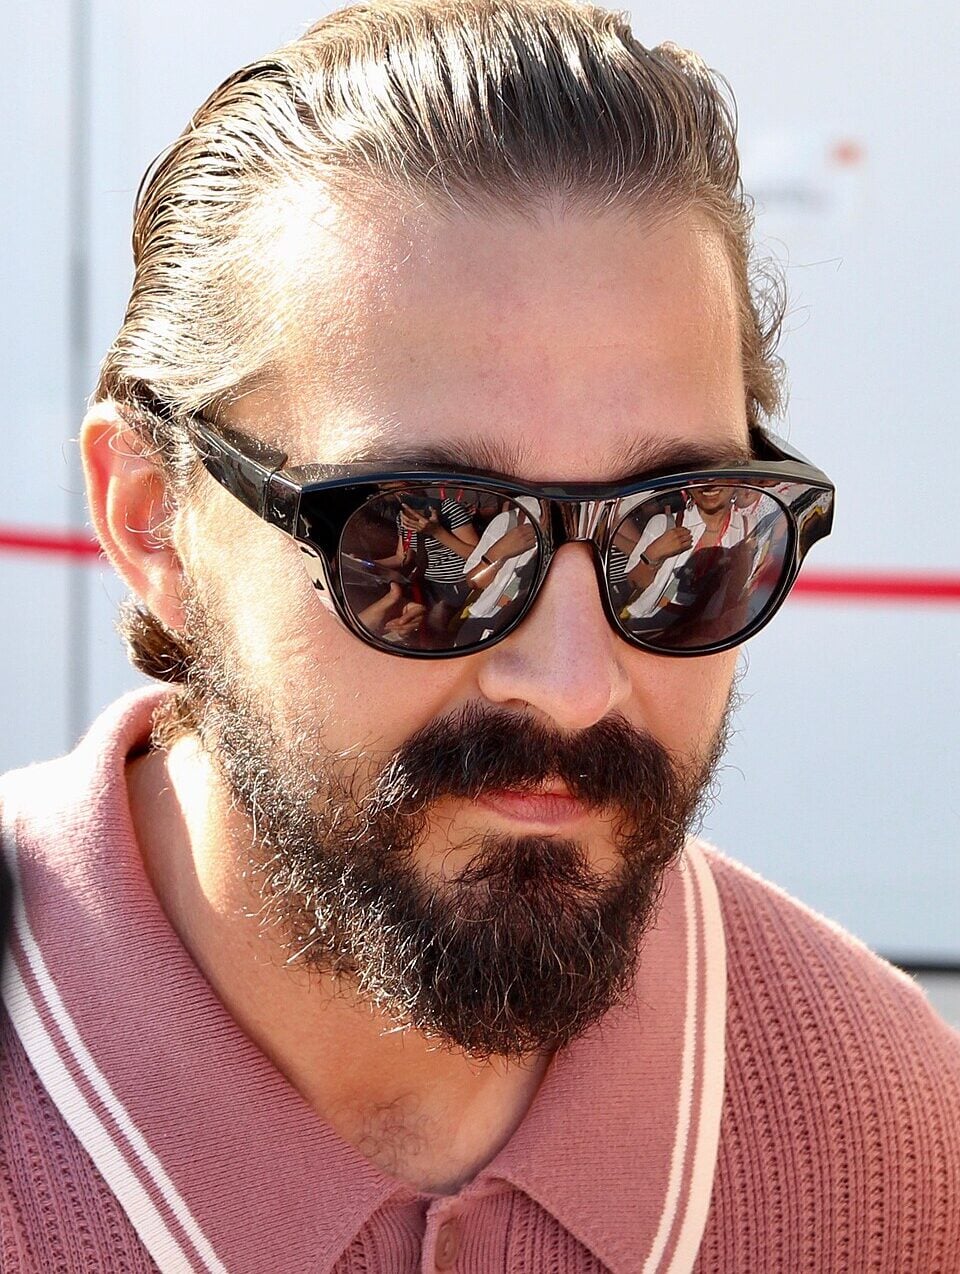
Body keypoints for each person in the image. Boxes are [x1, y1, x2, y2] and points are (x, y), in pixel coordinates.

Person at [1, 3, 958, 1271]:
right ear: (154, 520)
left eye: (680, 534)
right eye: (428, 540)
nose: (570, 684)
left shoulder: (891, 1138)